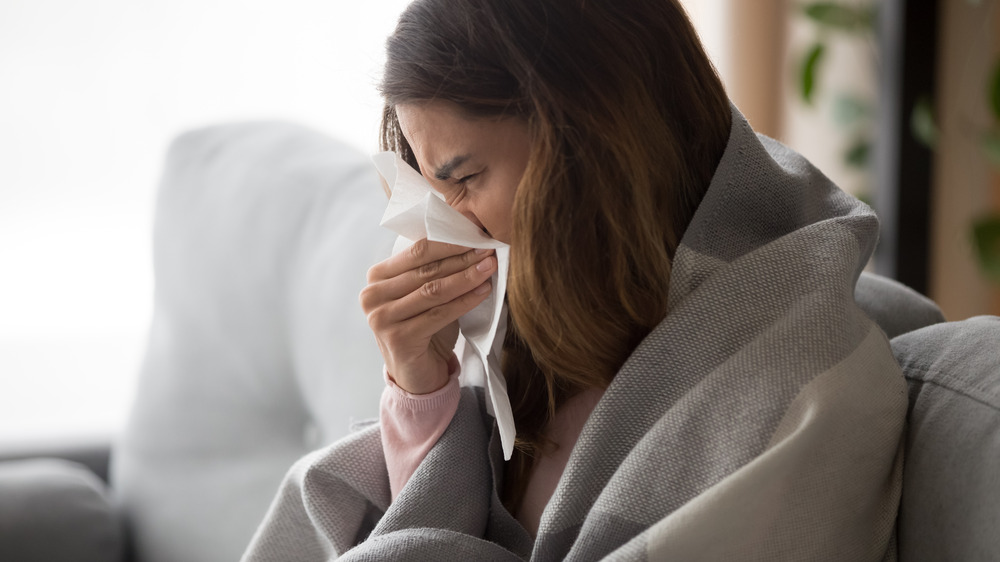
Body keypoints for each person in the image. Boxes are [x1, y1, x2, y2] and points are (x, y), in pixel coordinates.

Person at [242, 1, 907, 560]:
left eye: (464, 181)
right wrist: (424, 394)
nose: (439, 230)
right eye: (424, 190)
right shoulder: (523, 352)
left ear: (592, 141)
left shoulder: (799, 382)